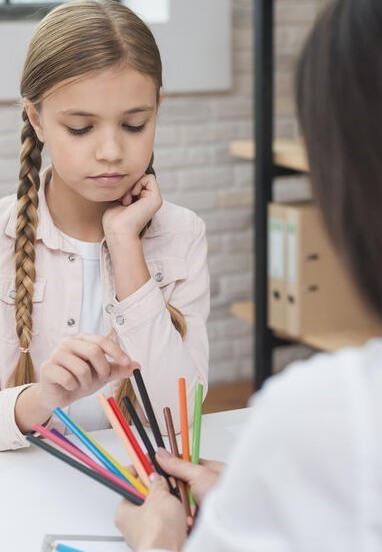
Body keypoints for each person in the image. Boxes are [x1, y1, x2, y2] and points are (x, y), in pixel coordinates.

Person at [115, 0, 382, 550]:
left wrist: (158, 544)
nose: (111, 151)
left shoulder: (325, 413)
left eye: (135, 123)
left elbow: (178, 404)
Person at [0, 0, 210, 452]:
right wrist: (44, 397)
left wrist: (125, 245)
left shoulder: (182, 234)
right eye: (81, 128)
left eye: (134, 124)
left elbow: (180, 421)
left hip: (141, 490)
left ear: (157, 110)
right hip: (23, 490)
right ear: (37, 118)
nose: (110, 151)